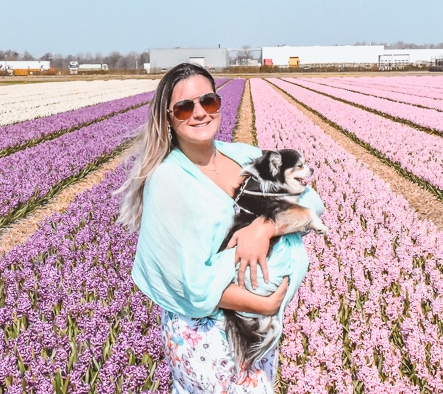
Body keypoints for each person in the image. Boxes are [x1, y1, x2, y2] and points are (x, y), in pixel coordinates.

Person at [118, 63, 324, 392]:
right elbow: (189, 284)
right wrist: (266, 304)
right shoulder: (168, 180)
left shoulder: (245, 156)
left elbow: (311, 205)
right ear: (169, 118)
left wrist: (265, 228)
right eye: (185, 107)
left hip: (255, 332)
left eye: (208, 101)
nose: (199, 113)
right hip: (206, 334)